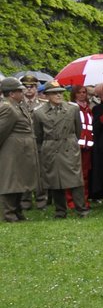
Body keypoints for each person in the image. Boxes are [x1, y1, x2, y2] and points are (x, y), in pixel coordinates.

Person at [31, 80, 86, 218]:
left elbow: (78, 129)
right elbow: (38, 135)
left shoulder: (72, 109)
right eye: (54, 93)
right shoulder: (39, 113)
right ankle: (60, 211)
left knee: (75, 180)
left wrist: (71, 141)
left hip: (69, 146)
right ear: (47, 96)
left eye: (60, 93)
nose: (58, 95)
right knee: (55, 180)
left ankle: (81, 209)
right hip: (51, 148)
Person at [0, 77, 40, 222]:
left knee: (20, 183)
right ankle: (8, 214)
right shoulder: (8, 107)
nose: (22, 93)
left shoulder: (17, 105)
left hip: (20, 150)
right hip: (12, 151)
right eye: (19, 90)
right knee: (11, 182)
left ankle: (17, 211)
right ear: (11, 93)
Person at [71, 84, 94, 214]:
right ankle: (71, 201)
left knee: (85, 175)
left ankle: (84, 200)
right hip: (75, 146)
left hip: (87, 146)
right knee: (73, 175)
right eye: (79, 92)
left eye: (84, 92)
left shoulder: (89, 109)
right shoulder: (72, 108)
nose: (82, 94)